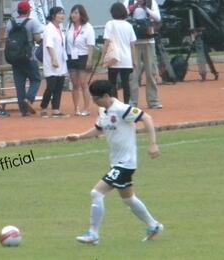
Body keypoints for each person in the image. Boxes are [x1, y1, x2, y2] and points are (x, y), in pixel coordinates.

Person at [67, 80, 164, 245]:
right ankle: (153, 225)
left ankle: (93, 234)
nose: (94, 101)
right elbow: (99, 129)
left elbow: (147, 118)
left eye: (96, 98)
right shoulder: (103, 110)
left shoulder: (122, 109)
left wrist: (153, 144)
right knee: (128, 199)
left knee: (96, 193)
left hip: (125, 163)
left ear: (106, 96)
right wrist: (79, 136)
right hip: (116, 162)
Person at [6, 1, 44, 117]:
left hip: (14, 57)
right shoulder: (32, 22)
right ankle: (29, 99)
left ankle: (24, 110)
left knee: (19, 83)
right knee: (36, 79)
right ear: (28, 11)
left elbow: (7, 38)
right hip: (28, 57)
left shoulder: (10, 23)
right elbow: (37, 39)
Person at [124, 0, 163, 109]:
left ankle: (153, 100)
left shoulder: (151, 2)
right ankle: (133, 101)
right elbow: (122, 15)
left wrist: (145, 8)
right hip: (133, 42)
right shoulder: (128, 1)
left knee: (151, 72)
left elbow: (158, 18)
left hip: (149, 40)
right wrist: (135, 5)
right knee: (133, 74)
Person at [101, 2, 136, 104]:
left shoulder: (110, 24)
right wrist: (134, 60)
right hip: (126, 58)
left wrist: (103, 56)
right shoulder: (128, 25)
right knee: (126, 83)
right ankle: (126, 103)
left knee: (112, 83)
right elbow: (132, 45)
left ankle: (115, 103)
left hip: (114, 57)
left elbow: (106, 42)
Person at [39, 6, 68, 118]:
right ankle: (43, 107)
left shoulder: (59, 28)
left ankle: (56, 109)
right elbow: (49, 45)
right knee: (51, 86)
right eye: (59, 13)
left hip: (61, 61)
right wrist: (54, 59)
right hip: (52, 61)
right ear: (53, 16)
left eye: (63, 13)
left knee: (59, 85)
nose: (62, 16)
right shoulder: (49, 28)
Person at [66, 4, 94, 117]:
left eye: (76, 13)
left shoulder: (88, 27)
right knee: (75, 84)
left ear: (81, 14)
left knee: (83, 84)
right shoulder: (69, 26)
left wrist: (89, 60)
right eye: (73, 12)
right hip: (71, 56)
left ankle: (87, 108)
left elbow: (91, 45)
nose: (74, 15)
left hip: (83, 56)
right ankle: (76, 108)